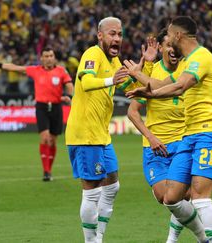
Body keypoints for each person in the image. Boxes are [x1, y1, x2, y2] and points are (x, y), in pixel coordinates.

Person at [126, 16, 212, 243]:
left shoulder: (201, 57)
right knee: (171, 197)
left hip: (210, 132)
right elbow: (165, 84)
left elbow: (180, 87)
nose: (168, 38)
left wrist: (149, 93)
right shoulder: (190, 60)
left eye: (170, 34)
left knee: (201, 199)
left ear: (178, 35)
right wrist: (141, 78)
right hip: (190, 135)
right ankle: (199, 237)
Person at [65, 17, 157, 243]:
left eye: (120, 34)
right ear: (100, 36)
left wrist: (146, 65)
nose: (117, 38)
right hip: (85, 134)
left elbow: (129, 88)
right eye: (112, 34)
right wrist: (110, 80)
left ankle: (99, 237)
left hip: (101, 135)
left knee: (113, 184)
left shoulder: (115, 63)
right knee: (92, 190)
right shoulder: (92, 55)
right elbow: (86, 83)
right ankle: (91, 241)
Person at [127, 29, 187, 243]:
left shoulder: (188, 73)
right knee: (166, 198)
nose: (173, 50)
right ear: (161, 48)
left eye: (176, 45)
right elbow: (132, 112)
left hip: (182, 144)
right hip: (155, 147)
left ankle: (173, 238)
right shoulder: (151, 74)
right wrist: (151, 137)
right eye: (168, 45)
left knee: (182, 197)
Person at [0, 47, 74, 181]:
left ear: (54, 57)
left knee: (52, 141)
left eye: (51, 56)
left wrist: (68, 96)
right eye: (46, 56)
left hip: (56, 107)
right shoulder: (35, 70)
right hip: (42, 107)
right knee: (44, 138)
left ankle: (49, 168)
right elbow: (15, 68)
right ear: (42, 58)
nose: (49, 58)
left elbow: (69, 84)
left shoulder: (61, 71)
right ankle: (46, 171)